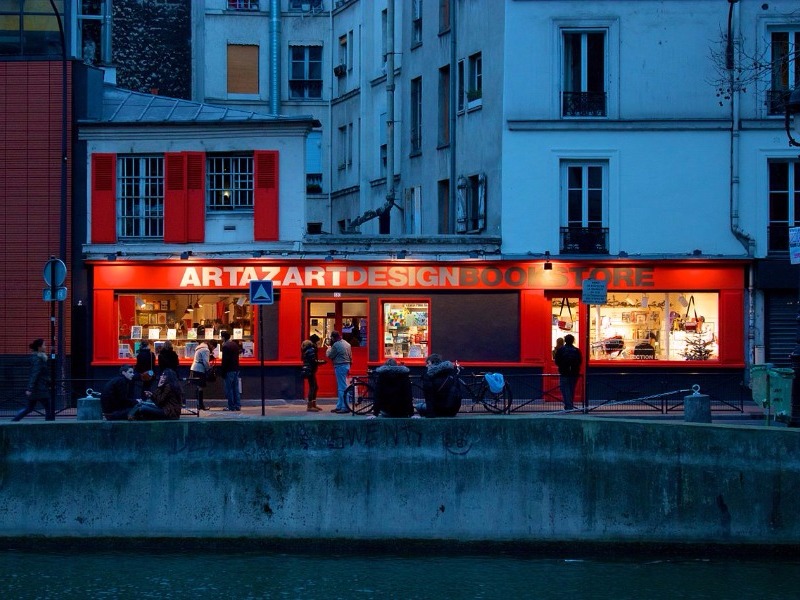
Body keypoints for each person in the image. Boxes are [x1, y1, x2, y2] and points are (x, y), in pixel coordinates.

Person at [11, 338, 50, 422]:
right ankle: (49, 425)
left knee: (29, 408)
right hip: (39, 388)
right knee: (48, 407)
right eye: (44, 345)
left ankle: (15, 420)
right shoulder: (38, 359)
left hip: (37, 387)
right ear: (39, 347)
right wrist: (30, 388)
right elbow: (35, 374)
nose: (45, 347)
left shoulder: (37, 358)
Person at [326, 330, 352, 414]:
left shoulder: (336, 345)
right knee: (342, 386)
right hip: (347, 365)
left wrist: (329, 349)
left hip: (340, 366)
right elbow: (350, 356)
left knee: (342, 387)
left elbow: (330, 355)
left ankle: (345, 407)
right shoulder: (347, 343)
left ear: (333, 338)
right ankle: (339, 406)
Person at [554, 333, 582, 411]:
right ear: (573, 341)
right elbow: (580, 361)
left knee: (565, 389)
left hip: (564, 372)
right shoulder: (576, 350)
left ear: (565, 340)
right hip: (574, 373)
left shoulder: (561, 350)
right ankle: (569, 405)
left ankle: (568, 406)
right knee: (571, 389)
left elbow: (557, 361)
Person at [301, 334, 324, 412]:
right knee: (313, 387)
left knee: (315, 387)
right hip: (310, 370)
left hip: (310, 369)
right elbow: (313, 361)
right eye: (318, 341)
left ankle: (313, 404)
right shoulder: (311, 349)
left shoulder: (308, 349)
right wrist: (321, 362)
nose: (318, 343)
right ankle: (310, 406)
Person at [220, 331, 241, 412]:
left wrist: (223, 371)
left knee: (229, 389)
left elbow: (225, 360)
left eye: (221, 337)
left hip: (229, 370)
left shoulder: (225, 346)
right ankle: (237, 405)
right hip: (236, 368)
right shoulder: (235, 344)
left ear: (224, 337)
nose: (221, 338)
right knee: (236, 388)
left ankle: (231, 406)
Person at [189, 340, 212, 410]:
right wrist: (209, 369)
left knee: (198, 387)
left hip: (194, 368)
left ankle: (199, 405)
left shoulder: (199, 348)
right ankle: (200, 405)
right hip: (199, 369)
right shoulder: (206, 350)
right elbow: (205, 361)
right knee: (200, 387)